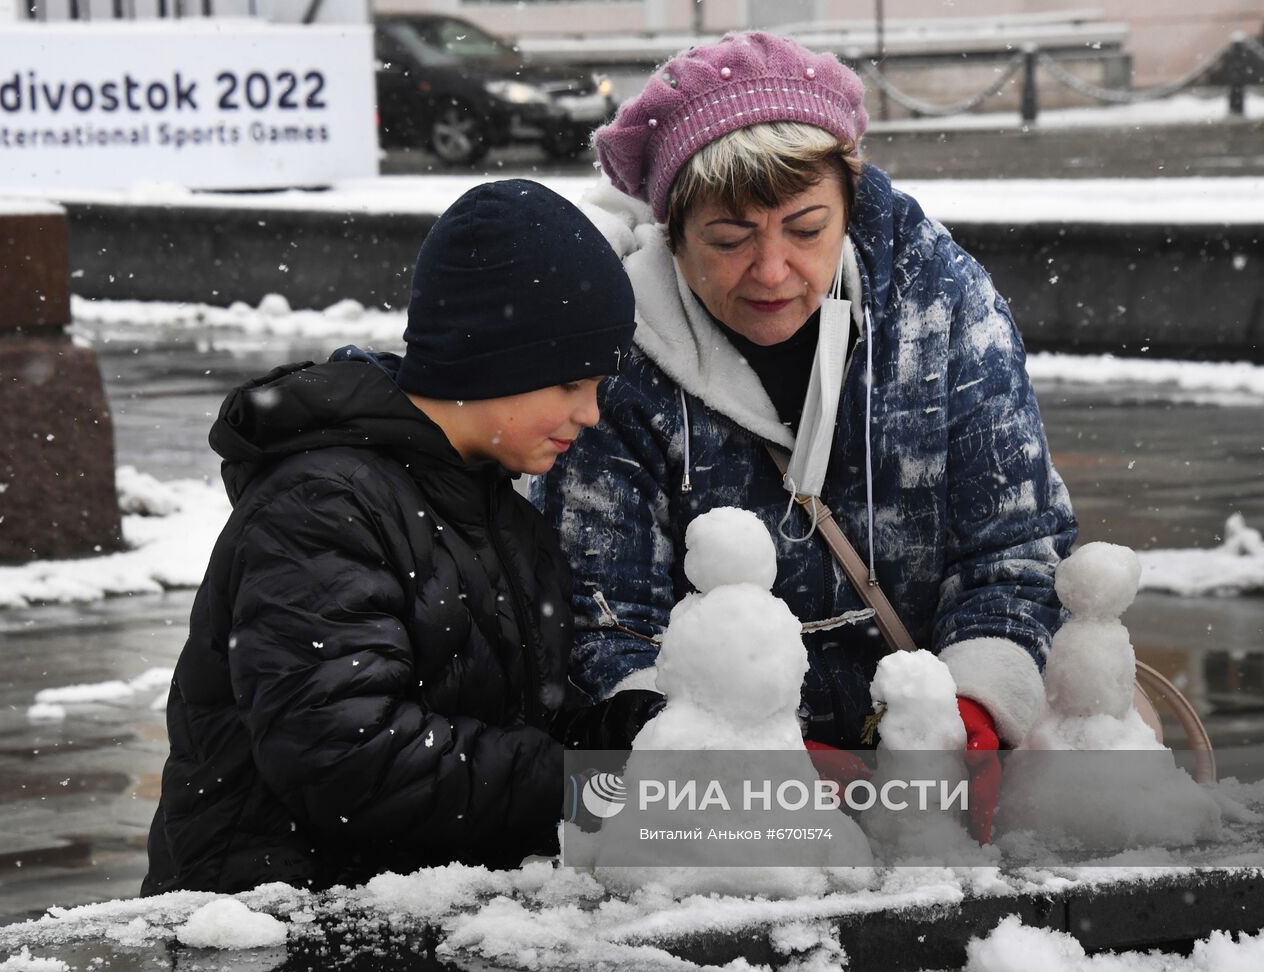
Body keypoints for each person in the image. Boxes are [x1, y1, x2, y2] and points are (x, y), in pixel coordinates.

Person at [534, 33, 1077, 839]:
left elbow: (1016, 547)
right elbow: (603, 621)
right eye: (729, 240)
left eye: (806, 227)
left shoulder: (942, 303)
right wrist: (743, 754)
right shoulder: (614, 361)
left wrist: (969, 710)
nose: (774, 271)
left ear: (849, 205)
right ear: (672, 234)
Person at [143, 180, 662, 895]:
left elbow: (498, 722)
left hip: (395, 906)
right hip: (277, 922)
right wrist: (587, 789)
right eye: (574, 382)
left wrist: (623, 739)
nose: (592, 414)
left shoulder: (498, 514)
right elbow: (345, 758)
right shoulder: (324, 503)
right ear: (497, 360)